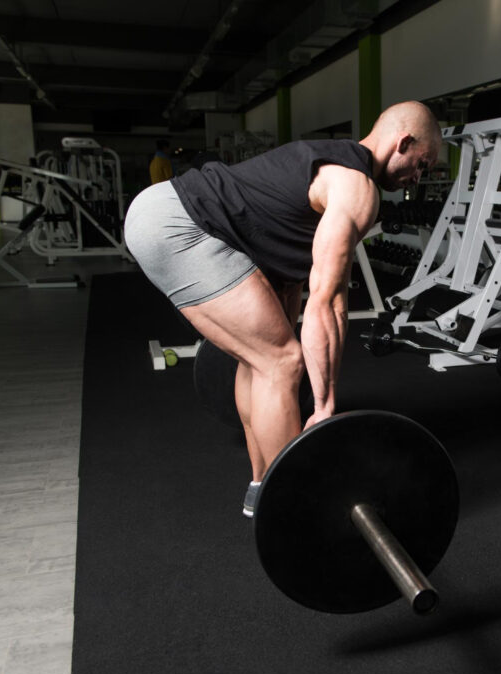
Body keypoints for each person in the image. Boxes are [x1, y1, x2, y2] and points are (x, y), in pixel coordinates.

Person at [124, 101, 442, 517]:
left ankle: (263, 489)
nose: (416, 179)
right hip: (179, 223)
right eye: (421, 163)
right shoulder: (357, 187)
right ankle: (297, 511)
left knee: (263, 359)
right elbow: (328, 300)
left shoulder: (328, 165)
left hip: (165, 216)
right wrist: (324, 405)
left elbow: (293, 282)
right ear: (403, 142)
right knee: (282, 362)